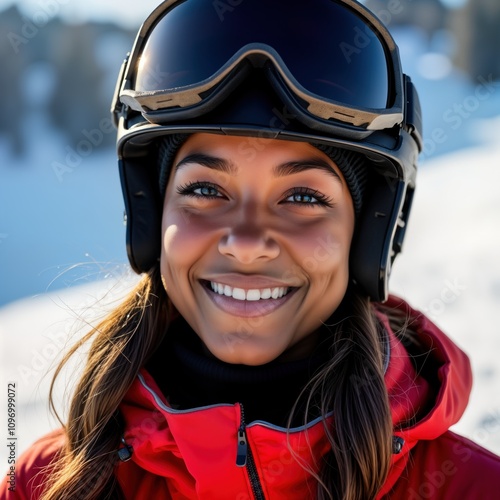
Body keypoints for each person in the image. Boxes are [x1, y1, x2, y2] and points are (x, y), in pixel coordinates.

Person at [5, 0, 500, 499]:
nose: (245, 243)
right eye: (205, 191)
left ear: (367, 235)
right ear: (153, 216)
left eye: (303, 197)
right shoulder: (45, 483)